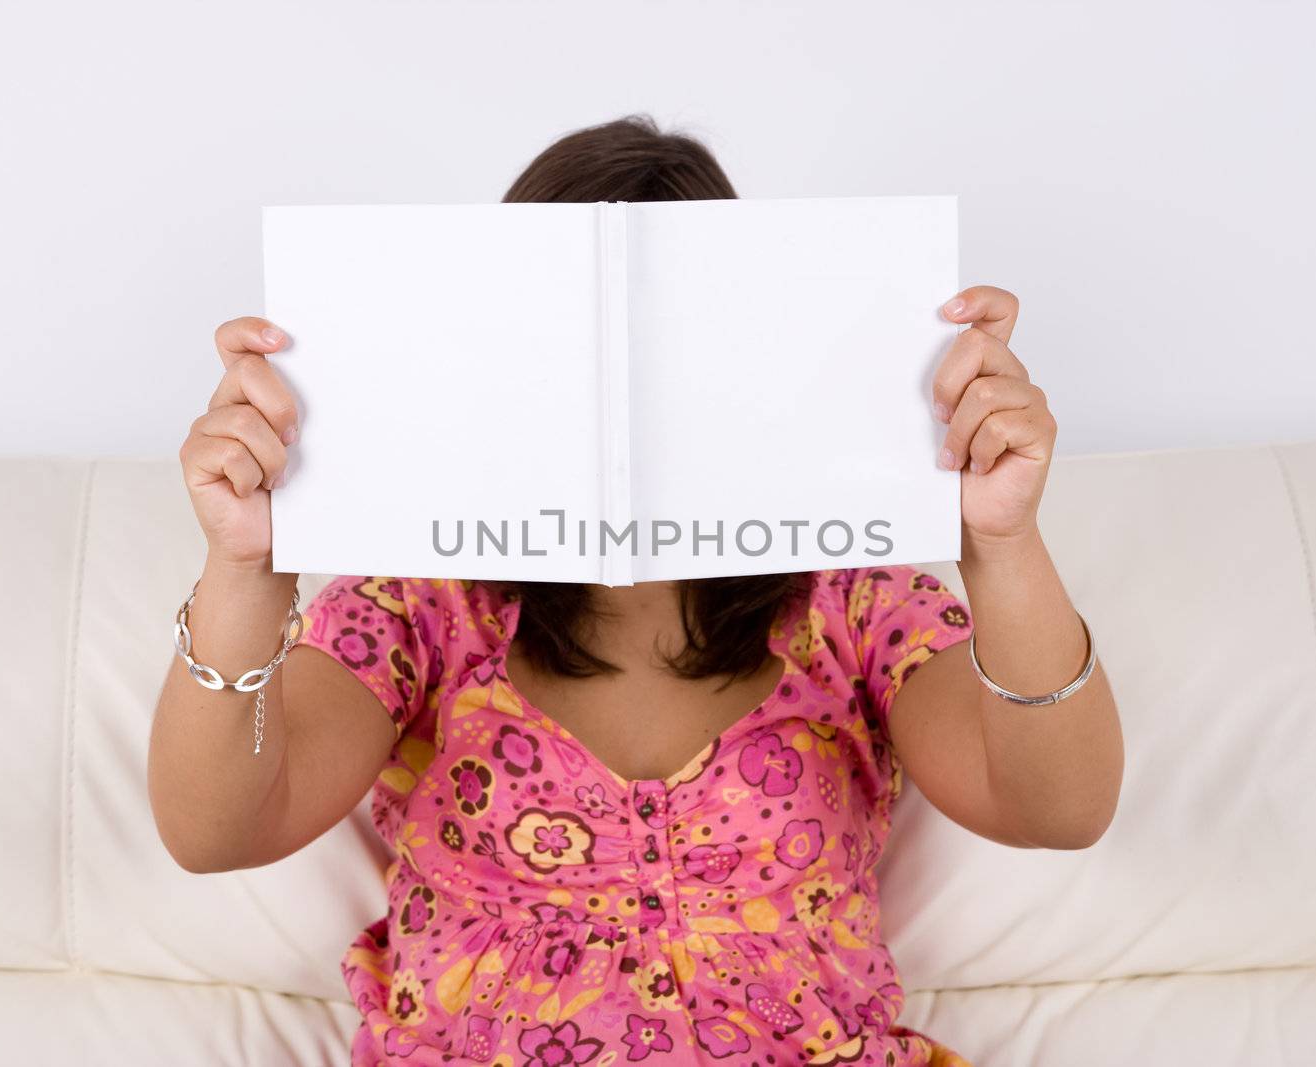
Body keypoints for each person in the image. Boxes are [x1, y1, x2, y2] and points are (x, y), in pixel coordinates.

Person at [149, 114, 1123, 1067]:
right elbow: (216, 830)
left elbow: (1058, 808)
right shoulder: (420, 604)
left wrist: (1000, 541)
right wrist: (245, 564)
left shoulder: (854, 602)